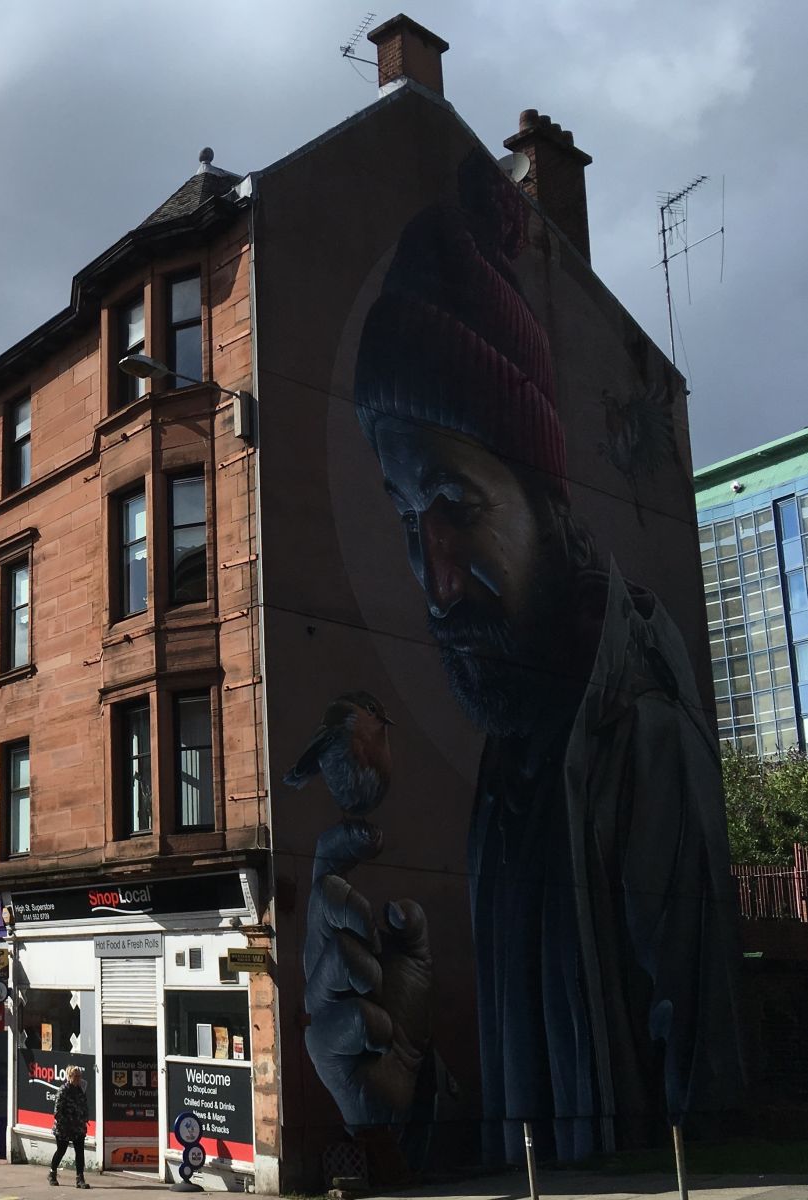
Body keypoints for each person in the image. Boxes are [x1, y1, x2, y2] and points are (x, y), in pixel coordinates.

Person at [304, 148, 744, 1168]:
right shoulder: (522, 747)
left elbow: (700, 1118)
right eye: (410, 522)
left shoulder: (642, 737)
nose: (436, 577)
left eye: (456, 507)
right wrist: (411, 1096)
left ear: (549, 504)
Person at [47, 1065, 89, 1189]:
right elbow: (57, 1112)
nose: (78, 1079)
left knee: (80, 1152)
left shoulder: (80, 1090)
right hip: (64, 1127)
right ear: (70, 1077)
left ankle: (80, 1178)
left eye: (79, 1076)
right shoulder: (63, 1090)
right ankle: (52, 1173)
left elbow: (84, 1105)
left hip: (78, 1127)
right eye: (76, 1076)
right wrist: (67, 1122)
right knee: (61, 1151)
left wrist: (85, 1118)